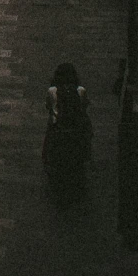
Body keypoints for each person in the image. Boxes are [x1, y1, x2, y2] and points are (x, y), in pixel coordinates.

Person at [44, 62, 93, 198]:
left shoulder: (52, 91)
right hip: (76, 127)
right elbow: (85, 106)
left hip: (57, 127)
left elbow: (48, 106)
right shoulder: (80, 90)